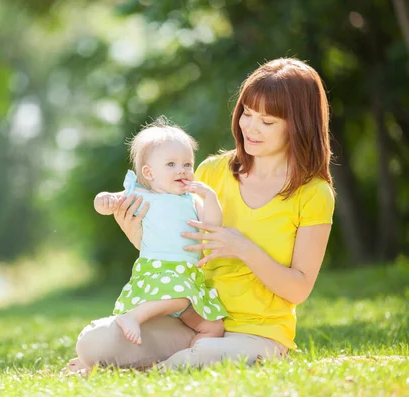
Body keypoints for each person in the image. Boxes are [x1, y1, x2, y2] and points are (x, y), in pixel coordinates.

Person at [66, 57, 335, 373]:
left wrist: (242, 248)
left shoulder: (313, 192)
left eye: (267, 121)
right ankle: (134, 364)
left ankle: (136, 371)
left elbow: (298, 288)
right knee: (95, 341)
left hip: (258, 333)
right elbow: (181, 250)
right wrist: (137, 235)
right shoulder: (210, 172)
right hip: (196, 321)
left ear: (299, 124)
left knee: (199, 356)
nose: (250, 127)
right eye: (247, 114)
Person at [93, 118, 227, 347]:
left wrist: (211, 197)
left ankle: (188, 356)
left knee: (214, 326)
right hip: (158, 273)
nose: (182, 170)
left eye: (187, 164)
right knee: (180, 295)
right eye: (171, 164)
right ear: (149, 173)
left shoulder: (194, 201)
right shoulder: (142, 196)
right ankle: (132, 317)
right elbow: (105, 203)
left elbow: (213, 227)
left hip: (187, 277)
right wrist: (104, 200)